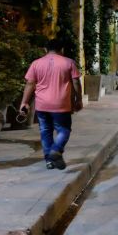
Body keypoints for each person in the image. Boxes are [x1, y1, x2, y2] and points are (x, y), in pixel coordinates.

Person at [19, 39, 83, 170]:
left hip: (42, 105)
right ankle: (56, 149)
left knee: (45, 131)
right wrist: (78, 99)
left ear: (45, 49)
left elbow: (30, 84)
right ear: (62, 49)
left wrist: (24, 102)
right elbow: (76, 82)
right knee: (64, 129)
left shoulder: (36, 63)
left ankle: (49, 160)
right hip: (61, 104)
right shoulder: (68, 62)